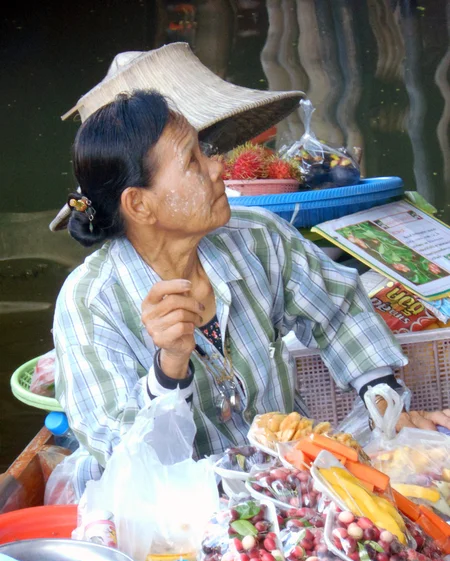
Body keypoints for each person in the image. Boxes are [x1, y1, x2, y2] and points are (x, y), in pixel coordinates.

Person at [51, 46, 450, 496]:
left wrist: (385, 404)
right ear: (139, 204)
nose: (218, 167)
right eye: (192, 162)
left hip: (288, 481)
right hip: (180, 513)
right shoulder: (89, 304)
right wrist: (169, 367)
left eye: (207, 152)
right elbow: (126, 456)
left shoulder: (256, 236)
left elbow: (338, 309)